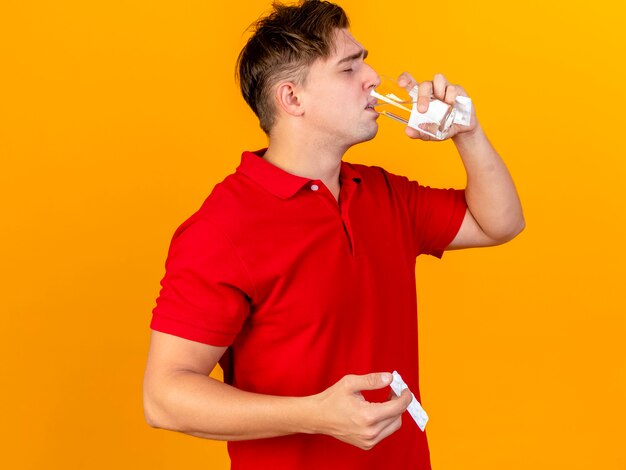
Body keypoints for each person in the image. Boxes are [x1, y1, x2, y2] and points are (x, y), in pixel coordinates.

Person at [142, 1, 525, 468]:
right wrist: (315, 415)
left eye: (364, 61)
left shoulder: (382, 192)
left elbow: (498, 223)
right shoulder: (222, 230)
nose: (373, 78)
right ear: (292, 99)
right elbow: (164, 397)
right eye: (349, 68)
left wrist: (467, 130)